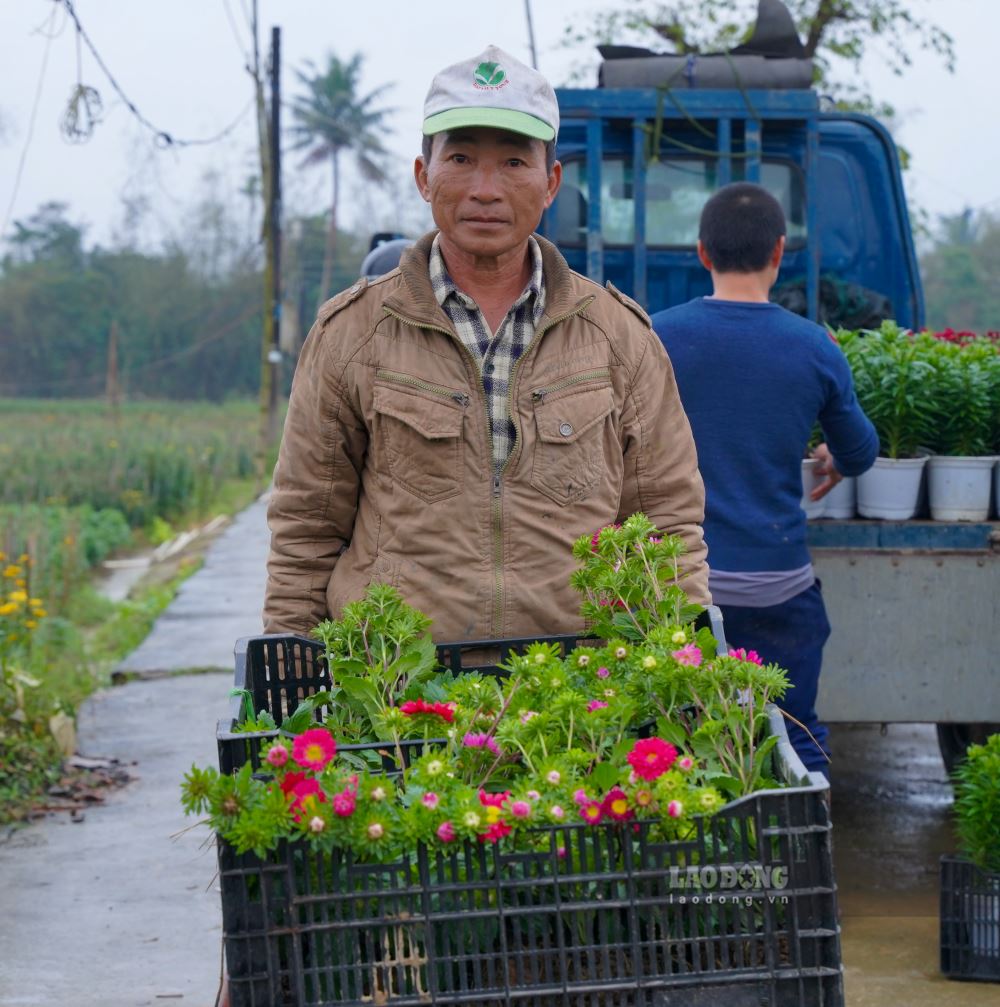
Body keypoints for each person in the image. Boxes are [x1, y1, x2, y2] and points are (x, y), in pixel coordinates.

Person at [263, 44, 710, 645]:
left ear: (550, 183)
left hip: (574, 699)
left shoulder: (617, 337)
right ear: (425, 176)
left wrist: (680, 672)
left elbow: (668, 525)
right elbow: (304, 531)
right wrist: (292, 668)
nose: (485, 189)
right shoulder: (352, 333)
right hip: (397, 691)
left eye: (513, 164)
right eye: (463, 158)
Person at [652, 182, 878, 777]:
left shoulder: (655, 336)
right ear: (780, 252)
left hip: (686, 587)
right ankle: (805, 849)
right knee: (795, 732)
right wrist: (832, 456)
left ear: (703, 253)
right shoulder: (814, 346)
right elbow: (860, 451)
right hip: (780, 587)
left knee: (684, 741)